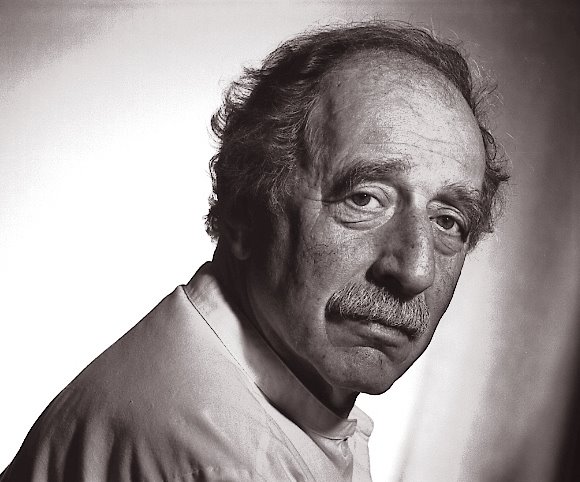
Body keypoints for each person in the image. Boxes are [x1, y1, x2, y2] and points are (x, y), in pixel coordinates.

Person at [1, 21, 509, 481]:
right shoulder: (226, 460)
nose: (416, 269)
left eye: (448, 221)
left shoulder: (260, 391)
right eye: (364, 199)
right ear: (245, 209)